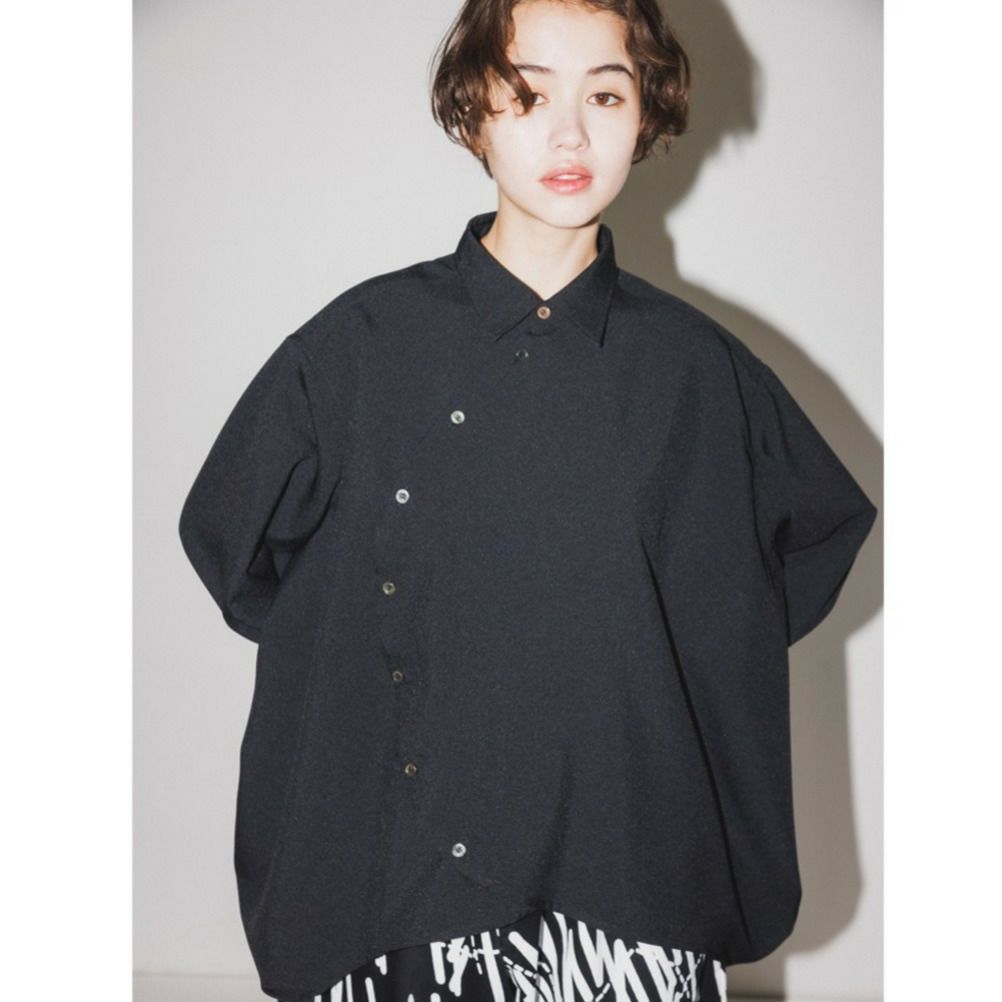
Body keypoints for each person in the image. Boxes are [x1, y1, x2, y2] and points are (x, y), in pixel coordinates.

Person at [177, 1, 877, 1001]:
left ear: (647, 113)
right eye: (529, 94)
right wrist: (373, 653)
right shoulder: (361, 349)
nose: (570, 134)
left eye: (606, 95)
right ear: (474, 112)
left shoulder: (698, 373)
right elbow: (231, 540)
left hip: (632, 899)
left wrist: (656, 662)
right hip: (404, 901)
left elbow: (806, 546)